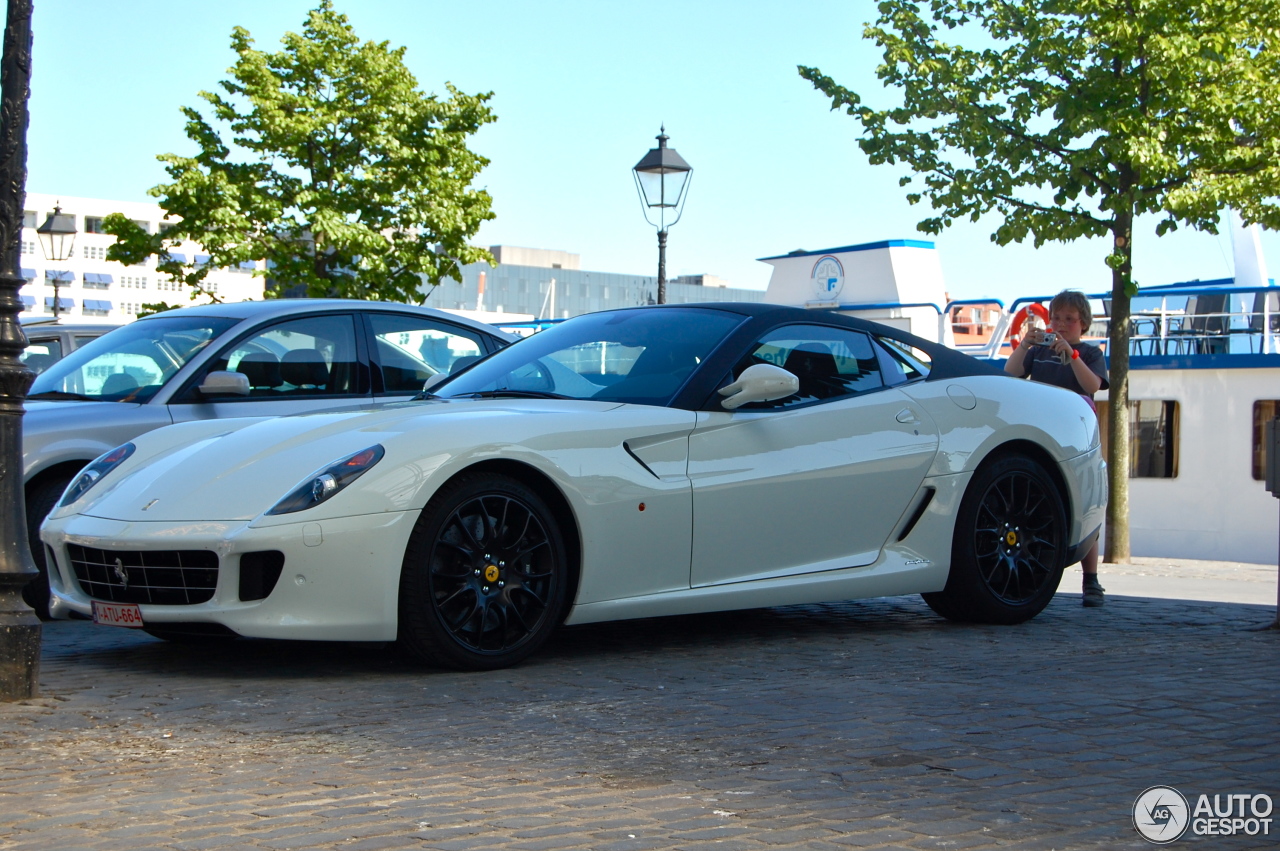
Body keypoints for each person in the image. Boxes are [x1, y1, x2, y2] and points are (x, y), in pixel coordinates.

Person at [1004, 290, 1109, 607]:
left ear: (1083, 323)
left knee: (1084, 504)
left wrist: (1072, 355)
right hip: (1044, 429)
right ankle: (1030, 575)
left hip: (1077, 431)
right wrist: (1026, 344)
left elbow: (1094, 386)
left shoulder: (1090, 353)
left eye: (1069, 319)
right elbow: (1010, 375)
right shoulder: (1039, 352)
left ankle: (1090, 581)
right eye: (1057, 318)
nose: (1061, 325)